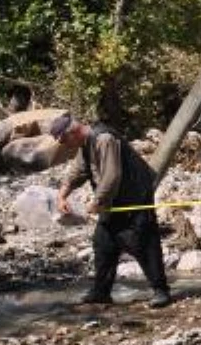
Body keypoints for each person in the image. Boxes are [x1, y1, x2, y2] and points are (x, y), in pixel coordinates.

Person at [50, 113, 172, 309]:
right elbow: (78, 170)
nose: (64, 145)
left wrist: (97, 201)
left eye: (64, 140)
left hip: (135, 196)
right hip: (113, 200)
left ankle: (161, 291)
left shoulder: (104, 139)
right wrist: (62, 194)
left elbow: (111, 176)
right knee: (103, 242)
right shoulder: (85, 143)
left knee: (142, 241)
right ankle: (101, 291)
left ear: (73, 132)